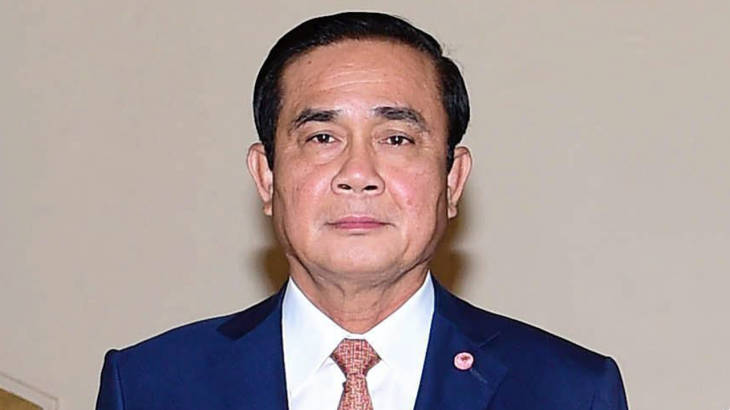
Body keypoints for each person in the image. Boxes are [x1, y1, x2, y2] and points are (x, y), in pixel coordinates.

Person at [96, 11, 628, 410]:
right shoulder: (149, 385)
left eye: (396, 138)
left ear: (452, 180)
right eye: (322, 137)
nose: (358, 172)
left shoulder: (569, 391)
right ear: (266, 176)